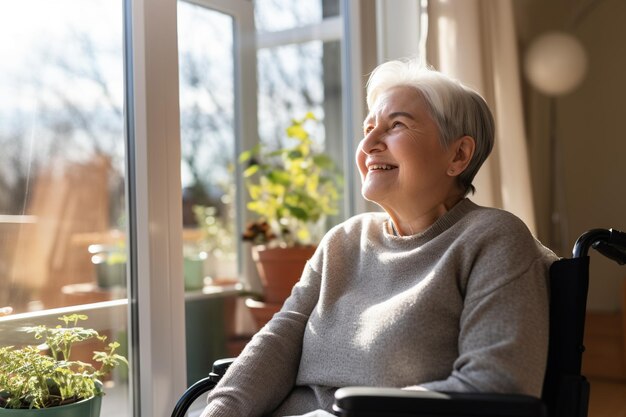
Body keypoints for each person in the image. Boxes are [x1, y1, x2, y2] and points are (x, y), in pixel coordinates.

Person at [200, 58, 557, 417]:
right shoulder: (344, 241)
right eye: (368, 127)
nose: (369, 143)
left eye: (396, 124)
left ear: (459, 154)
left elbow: (496, 386)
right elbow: (278, 343)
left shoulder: (492, 239)